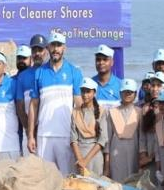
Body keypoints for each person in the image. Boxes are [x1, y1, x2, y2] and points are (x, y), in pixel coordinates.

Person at [27, 31, 83, 173]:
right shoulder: (39, 72)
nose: (56, 49)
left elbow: (79, 105)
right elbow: (33, 106)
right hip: (44, 135)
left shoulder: (74, 72)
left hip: (66, 135)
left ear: (64, 48)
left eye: (59, 45)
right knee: (45, 178)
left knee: (67, 180)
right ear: (48, 48)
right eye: (53, 45)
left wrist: (81, 135)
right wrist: (31, 136)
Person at [15, 34, 48, 155]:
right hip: (29, 133)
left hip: (47, 132)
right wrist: (30, 131)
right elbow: (20, 107)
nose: (37, 53)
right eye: (34, 50)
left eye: (40, 50)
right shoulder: (23, 76)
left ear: (46, 50)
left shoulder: (50, 72)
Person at [70, 77, 107, 175]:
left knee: (96, 185)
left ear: (94, 93)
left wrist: (85, 160)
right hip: (79, 153)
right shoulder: (75, 112)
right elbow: (73, 139)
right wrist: (80, 159)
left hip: (95, 154)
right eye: (83, 91)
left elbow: (102, 139)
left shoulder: (102, 111)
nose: (85, 95)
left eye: (88, 92)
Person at [106, 78, 141, 182]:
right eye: (125, 92)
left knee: (132, 183)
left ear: (135, 94)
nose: (128, 94)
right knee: (117, 182)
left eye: (130, 92)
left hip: (133, 154)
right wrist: (107, 164)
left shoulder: (139, 112)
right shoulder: (112, 112)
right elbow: (107, 139)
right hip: (116, 154)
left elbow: (142, 139)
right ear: (120, 93)